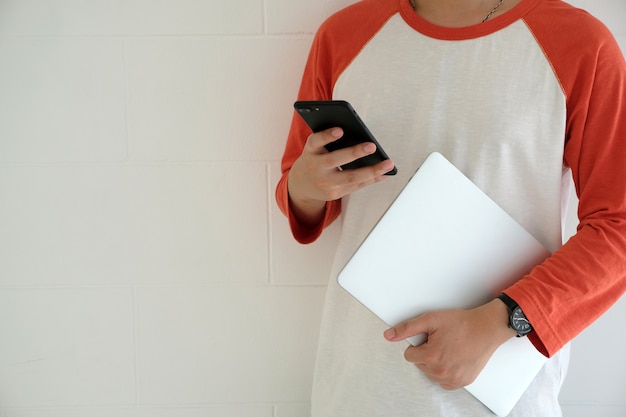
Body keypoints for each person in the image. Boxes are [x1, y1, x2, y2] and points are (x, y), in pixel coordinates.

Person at [276, 0, 626, 415]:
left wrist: (502, 320)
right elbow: (302, 198)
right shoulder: (344, 33)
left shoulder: (580, 43)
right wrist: (303, 187)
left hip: (500, 392)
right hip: (357, 389)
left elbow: (617, 226)